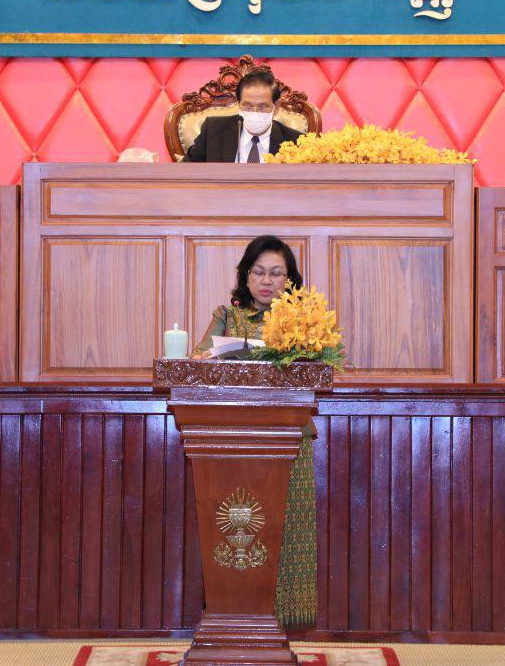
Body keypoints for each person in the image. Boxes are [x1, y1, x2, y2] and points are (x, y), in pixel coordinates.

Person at [191, 235, 317, 630]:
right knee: (231, 530)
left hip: (288, 437)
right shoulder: (226, 317)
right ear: (246, 276)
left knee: (283, 529)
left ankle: (285, 624)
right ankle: (233, 619)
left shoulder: (303, 322)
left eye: (276, 273)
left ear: (289, 279)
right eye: (258, 272)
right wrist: (225, 352)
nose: (266, 281)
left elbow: (312, 367)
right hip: (230, 439)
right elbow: (199, 359)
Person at [183, 69, 303, 163]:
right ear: (238, 103)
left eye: (262, 106)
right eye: (247, 106)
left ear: (276, 107)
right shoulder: (213, 130)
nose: (254, 113)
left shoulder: (296, 142)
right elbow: (186, 172)